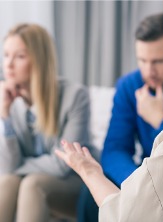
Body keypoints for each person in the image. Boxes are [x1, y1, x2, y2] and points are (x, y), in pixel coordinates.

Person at [56, 1, 163, 220]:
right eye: (142, 60)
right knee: (88, 195)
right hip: (145, 173)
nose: (148, 71)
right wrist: (139, 184)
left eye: (158, 61)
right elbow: (114, 150)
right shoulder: (129, 86)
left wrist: (160, 119)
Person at [0, 23, 94, 222]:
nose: (8, 64)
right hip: (31, 178)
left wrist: (21, 166)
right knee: (7, 182)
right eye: (6, 55)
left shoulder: (75, 96)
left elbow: (62, 164)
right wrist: (4, 115)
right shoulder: (8, 102)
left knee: (33, 184)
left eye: (19, 56)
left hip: (75, 183)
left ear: (39, 60)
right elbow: (7, 167)